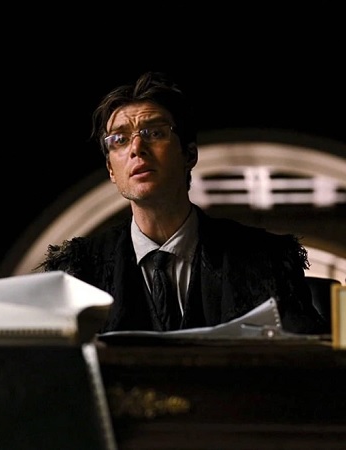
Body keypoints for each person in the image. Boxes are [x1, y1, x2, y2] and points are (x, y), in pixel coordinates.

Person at [37, 71, 328, 335]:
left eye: (154, 133)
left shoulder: (266, 259)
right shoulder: (79, 271)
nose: (137, 148)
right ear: (111, 170)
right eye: (120, 140)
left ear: (189, 155)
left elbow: (307, 360)